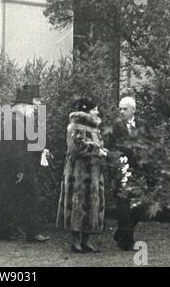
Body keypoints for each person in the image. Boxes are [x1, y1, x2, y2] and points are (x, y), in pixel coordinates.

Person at [0, 88, 50, 243]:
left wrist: (41, 150)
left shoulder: (20, 120)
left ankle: (10, 231)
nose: (34, 110)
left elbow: (28, 143)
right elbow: (16, 148)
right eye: (32, 107)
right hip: (18, 168)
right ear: (23, 106)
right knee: (27, 198)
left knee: (14, 199)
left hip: (19, 167)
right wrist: (19, 170)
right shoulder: (16, 121)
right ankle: (29, 232)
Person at [56, 98, 107, 253]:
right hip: (78, 174)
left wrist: (102, 152)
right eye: (94, 109)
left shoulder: (94, 128)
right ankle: (76, 242)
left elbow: (99, 145)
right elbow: (75, 148)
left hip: (93, 173)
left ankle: (86, 241)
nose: (97, 112)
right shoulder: (75, 126)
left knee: (91, 207)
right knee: (77, 205)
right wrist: (97, 150)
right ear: (87, 111)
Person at [107, 96, 155, 251]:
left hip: (141, 172)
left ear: (133, 110)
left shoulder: (143, 125)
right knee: (123, 207)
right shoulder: (116, 127)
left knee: (142, 207)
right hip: (123, 170)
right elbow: (112, 150)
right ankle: (126, 241)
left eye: (124, 109)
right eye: (120, 109)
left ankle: (120, 233)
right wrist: (117, 170)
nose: (121, 112)